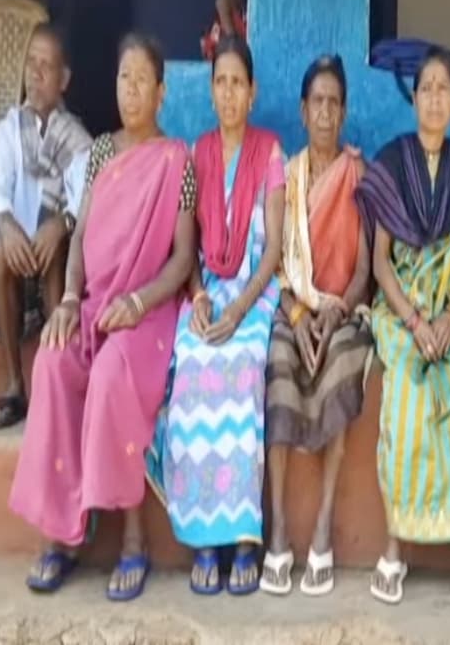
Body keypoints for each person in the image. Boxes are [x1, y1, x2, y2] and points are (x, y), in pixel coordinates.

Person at [8, 33, 197, 601]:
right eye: (123, 78)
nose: (130, 90)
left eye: (142, 80)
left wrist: (138, 302)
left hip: (149, 309)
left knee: (115, 373)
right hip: (95, 304)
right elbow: (82, 235)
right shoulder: (98, 157)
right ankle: (61, 533)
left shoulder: (176, 160)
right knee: (53, 361)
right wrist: (68, 300)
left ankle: (134, 538)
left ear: (162, 92)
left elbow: (183, 256)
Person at [356, 46, 450, 613]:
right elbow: (379, 267)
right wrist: (418, 322)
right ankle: (395, 547)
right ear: (414, 97)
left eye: (446, 88)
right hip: (403, 313)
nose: (437, 98)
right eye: (427, 89)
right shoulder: (392, 164)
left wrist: (447, 317)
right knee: (408, 392)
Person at [146, 36, 285, 597]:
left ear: (253, 93)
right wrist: (201, 297)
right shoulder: (196, 153)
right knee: (192, 362)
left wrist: (240, 309)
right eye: (220, 83)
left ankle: (245, 536)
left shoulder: (270, 151)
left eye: (238, 83)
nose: (229, 93)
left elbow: (274, 250)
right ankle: (207, 533)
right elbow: (192, 248)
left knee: (245, 363)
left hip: (255, 290)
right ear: (211, 92)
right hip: (209, 290)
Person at [262, 55, 372, 597]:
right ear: (303, 111)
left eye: (335, 102)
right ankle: (279, 527)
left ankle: (325, 522)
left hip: (344, 312)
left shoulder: (360, 175)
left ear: (344, 111)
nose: (326, 112)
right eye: (317, 103)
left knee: (347, 360)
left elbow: (366, 271)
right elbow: (278, 265)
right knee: (279, 361)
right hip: (295, 310)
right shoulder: (288, 177)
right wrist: (303, 315)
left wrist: (335, 312)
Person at [0, 24, 92, 428]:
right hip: (16, 254)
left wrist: (62, 224)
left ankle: (56, 386)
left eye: (45, 66)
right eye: (30, 62)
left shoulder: (77, 138)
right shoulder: (9, 129)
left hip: (52, 258)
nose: (35, 73)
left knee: (58, 248)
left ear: (63, 80)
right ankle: (16, 384)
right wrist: (7, 225)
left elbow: (88, 197)